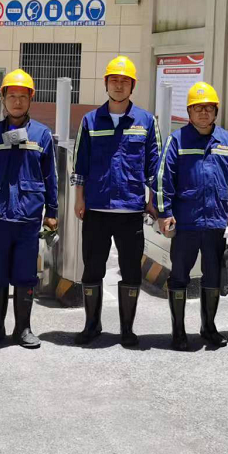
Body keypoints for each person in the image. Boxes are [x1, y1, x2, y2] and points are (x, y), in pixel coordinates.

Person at [71, 55, 161, 347]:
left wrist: (153, 200)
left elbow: (155, 166)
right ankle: (91, 325)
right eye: (114, 80)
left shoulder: (146, 122)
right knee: (92, 268)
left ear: (132, 86)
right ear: (106, 84)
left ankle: (127, 328)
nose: (119, 85)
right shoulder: (90, 120)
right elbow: (80, 163)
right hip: (96, 208)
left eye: (124, 81)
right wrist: (79, 198)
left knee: (131, 269)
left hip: (130, 209)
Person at [0, 69, 58, 349]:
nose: (17, 102)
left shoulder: (42, 135)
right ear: (3, 99)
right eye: (12, 96)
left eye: (23, 96)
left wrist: (52, 212)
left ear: (31, 99)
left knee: (25, 276)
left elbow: (51, 177)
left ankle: (23, 329)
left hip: (28, 218)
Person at [155, 82, 228, 350]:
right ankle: (178, 331)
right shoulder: (177, 140)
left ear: (216, 111)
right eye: (198, 108)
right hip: (186, 222)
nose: (203, 112)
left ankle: (209, 328)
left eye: (208, 108)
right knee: (179, 276)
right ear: (189, 112)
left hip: (217, 223)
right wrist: (165, 212)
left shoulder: (227, 142)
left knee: (213, 276)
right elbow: (163, 179)